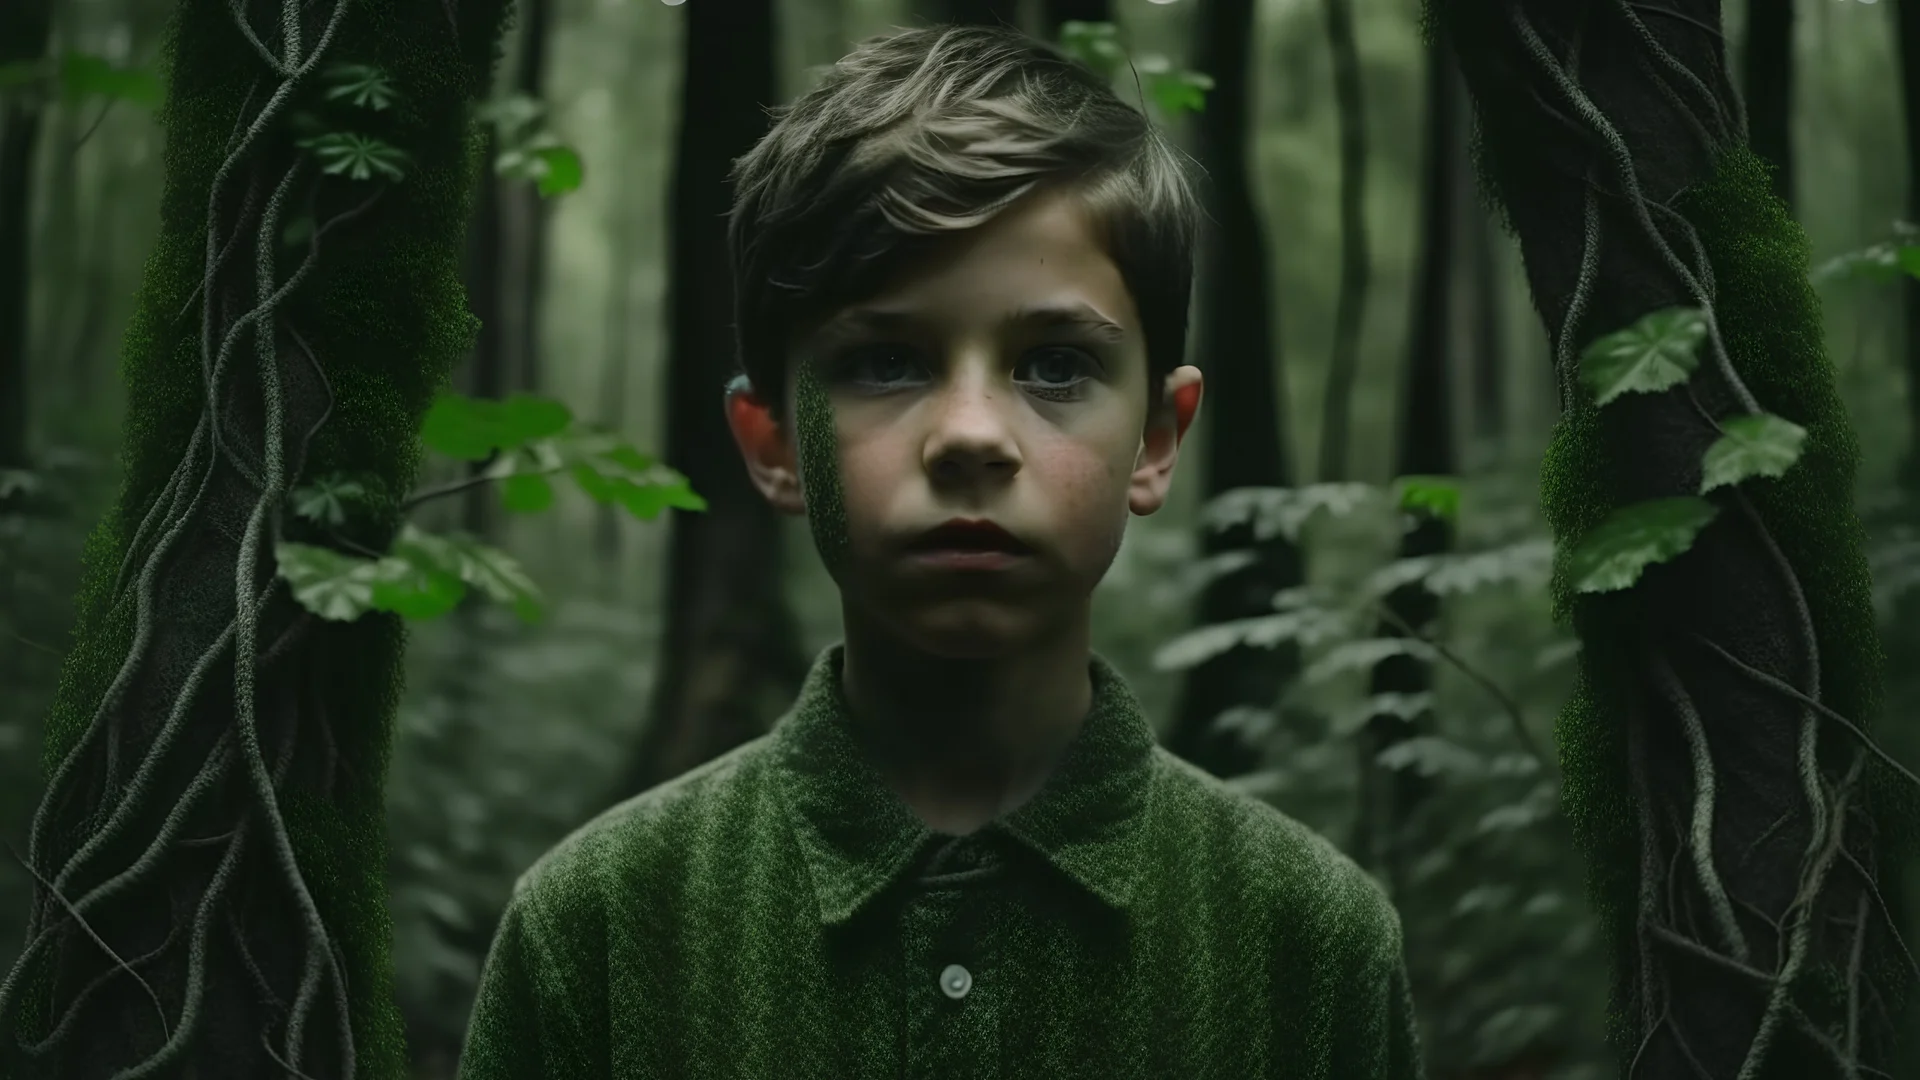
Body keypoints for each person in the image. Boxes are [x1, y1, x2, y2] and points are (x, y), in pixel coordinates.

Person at [458, 22, 1423, 1079]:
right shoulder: (593, 931)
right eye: (884, 362)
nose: (971, 434)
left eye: (1056, 365)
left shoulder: (1312, 944)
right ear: (774, 444)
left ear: (1156, 437)